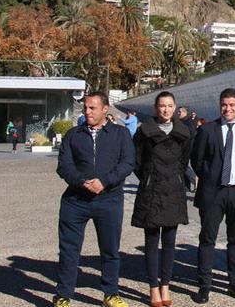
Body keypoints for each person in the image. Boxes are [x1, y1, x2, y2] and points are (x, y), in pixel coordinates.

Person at [54, 92, 135, 307]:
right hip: (75, 201)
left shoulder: (120, 134)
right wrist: (82, 181)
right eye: (85, 108)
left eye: (92, 108)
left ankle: (111, 293)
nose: (87, 112)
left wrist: (105, 182)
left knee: (110, 250)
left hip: (109, 200)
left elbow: (127, 163)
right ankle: (63, 295)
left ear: (105, 109)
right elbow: (64, 166)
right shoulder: (73, 135)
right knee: (69, 250)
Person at [190, 88, 235, 304]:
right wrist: (209, 176)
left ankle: (234, 283)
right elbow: (197, 160)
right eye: (224, 105)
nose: (228, 109)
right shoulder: (208, 130)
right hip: (213, 192)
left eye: (232, 105)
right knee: (207, 239)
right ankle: (204, 285)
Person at [131, 91, 193, 307]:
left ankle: (166, 284)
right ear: (155, 108)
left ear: (175, 107)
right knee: (151, 242)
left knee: (169, 242)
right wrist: (148, 178)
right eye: (161, 106)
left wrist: (176, 177)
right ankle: (153, 287)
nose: (165, 110)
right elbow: (136, 160)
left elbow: (184, 160)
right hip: (152, 190)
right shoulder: (144, 132)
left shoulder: (183, 132)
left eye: (169, 106)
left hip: (173, 190)